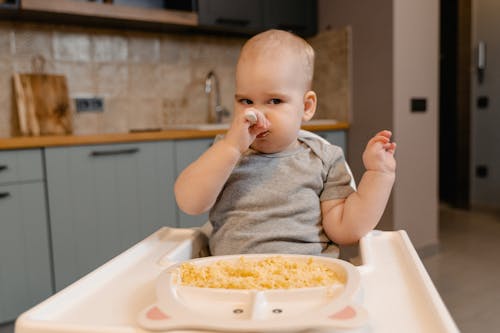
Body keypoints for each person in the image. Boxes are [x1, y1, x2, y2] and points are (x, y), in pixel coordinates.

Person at [175, 29, 396, 257]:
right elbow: (190, 203)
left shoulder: (324, 159)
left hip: (307, 279)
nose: (256, 113)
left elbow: (344, 229)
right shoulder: (226, 152)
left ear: (307, 106)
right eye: (246, 100)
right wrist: (230, 147)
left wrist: (379, 175)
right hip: (234, 280)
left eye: (275, 100)